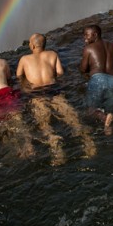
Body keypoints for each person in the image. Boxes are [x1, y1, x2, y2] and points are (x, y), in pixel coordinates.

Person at [17, 33, 95, 164]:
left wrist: (25, 87)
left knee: (44, 123)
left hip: (36, 93)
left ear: (32, 45)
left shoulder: (24, 59)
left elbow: (19, 76)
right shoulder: (53, 55)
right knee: (72, 117)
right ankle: (89, 143)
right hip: (53, 89)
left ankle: (57, 149)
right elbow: (60, 73)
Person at [79, 24, 113, 134]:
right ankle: (108, 125)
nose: (85, 38)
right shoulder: (112, 45)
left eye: (86, 35)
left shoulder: (88, 48)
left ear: (95, 35)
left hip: (98, 79)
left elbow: (83, 69)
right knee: (111, 106)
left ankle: (104, 117)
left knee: (90, 110)